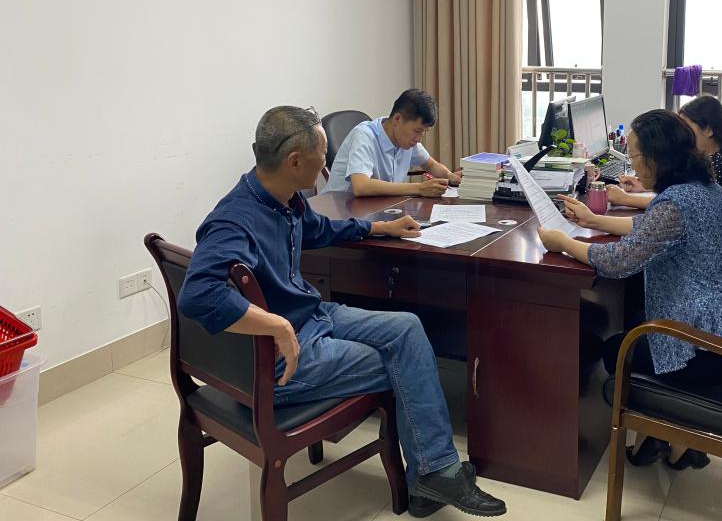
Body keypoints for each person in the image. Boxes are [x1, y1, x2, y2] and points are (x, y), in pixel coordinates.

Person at [178, 106, 506, 517]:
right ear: (294, 160)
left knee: (408, 329)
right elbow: (198, 295)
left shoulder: (284, 199)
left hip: (310, 317)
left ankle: (431, 475)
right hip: (279, 363)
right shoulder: (235, 220)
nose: (326, 164)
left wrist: (380, 228)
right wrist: (276, 325)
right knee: (404, 362)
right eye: (322, 154)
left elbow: (318, 229)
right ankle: (433, 474)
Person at [538, 109, 722, 471]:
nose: (631, 163)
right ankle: (667, 439)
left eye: (634, 155)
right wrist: (594, 220)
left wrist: (563, 243)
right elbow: (652, 228)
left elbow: (618, 261)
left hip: (712, 352)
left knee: (615, 348)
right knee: (634, 316)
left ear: (656, 158)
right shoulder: (705, 188)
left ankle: (671, 433)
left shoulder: (676, 203)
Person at [608, 96, 722, 278]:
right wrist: (645, 185)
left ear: (708, 129)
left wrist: (625, 199)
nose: (681, 133)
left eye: (686, 127)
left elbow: (680, 206)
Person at [323, 89, 462, 197]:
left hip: (375, 208)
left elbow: (430, 164)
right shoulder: (365, 136)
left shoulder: (406, 139)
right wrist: (419, 188)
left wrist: (450, 176)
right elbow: (361, 186)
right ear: (397, 119)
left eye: (424, 132)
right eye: (417, 131)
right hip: (341, 211)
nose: (419, 139)